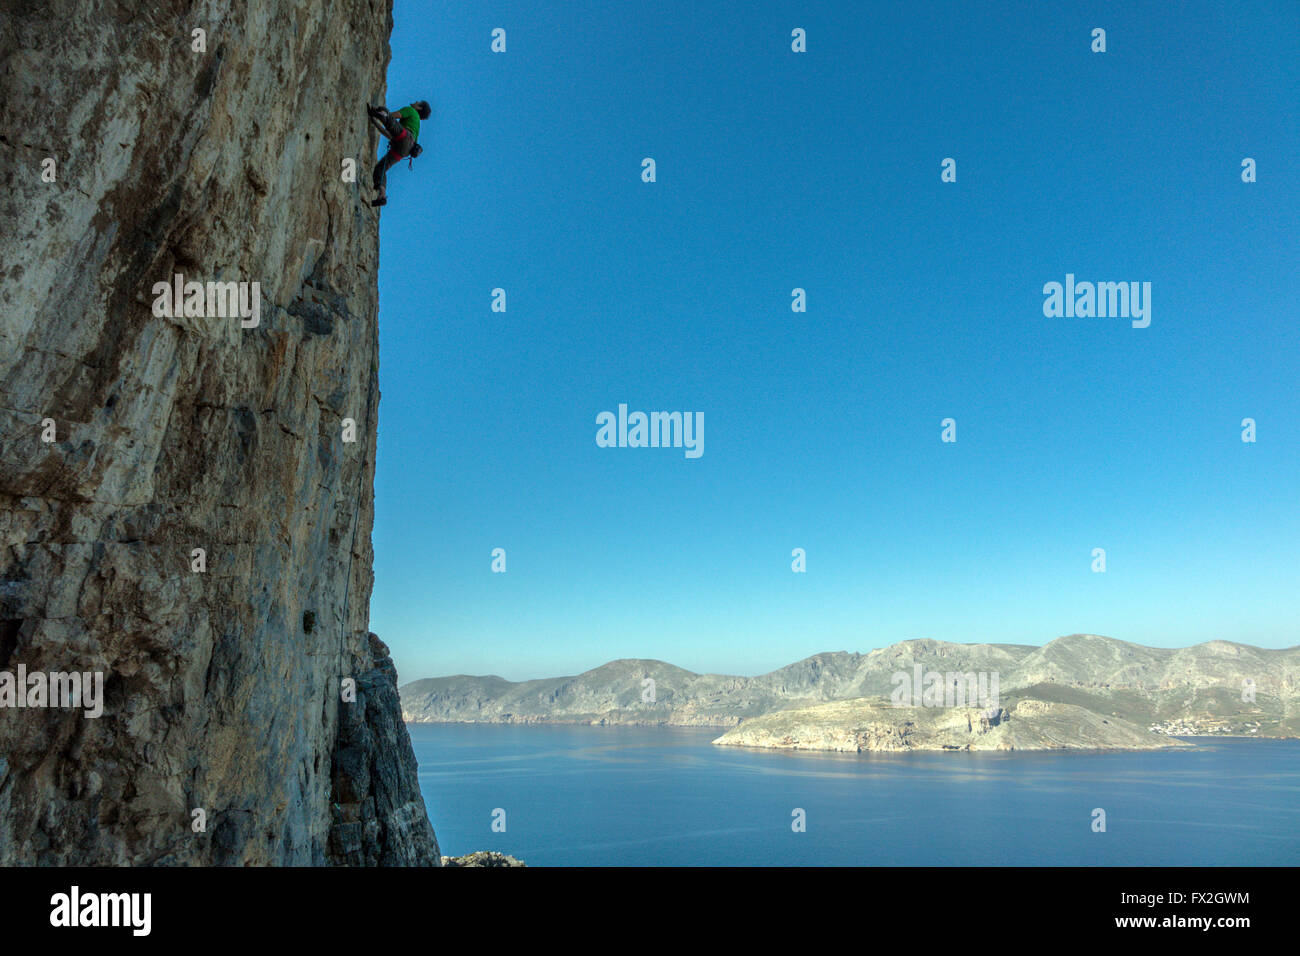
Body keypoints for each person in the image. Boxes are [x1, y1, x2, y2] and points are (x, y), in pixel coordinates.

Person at [368, 100, 431, 207]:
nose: (415, 101)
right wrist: (374, 122)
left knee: (384, 111)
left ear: (419, 108)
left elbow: (393, 117)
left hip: (405, 138)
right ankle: (382, 195)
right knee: (381, 168)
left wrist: (379, 114)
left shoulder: (411, 111)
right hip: (404, 150)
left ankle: (378, 112)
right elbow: (389, 133)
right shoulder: (416, 125)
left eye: (418, 102)